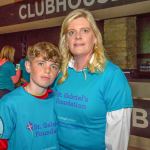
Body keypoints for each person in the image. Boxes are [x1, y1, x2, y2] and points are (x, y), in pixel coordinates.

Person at [54, 9, 133, 150]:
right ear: (66, 41)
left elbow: (117, 140)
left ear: (95, 38)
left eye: (84, 30)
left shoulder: (112, 76)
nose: (78, 36)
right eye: (71, 32)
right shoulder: (61, 73)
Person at [0, 42, 62, 150]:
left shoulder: (59, 100)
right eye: (41, 63)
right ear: (28, 66)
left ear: (58, 73)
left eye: (53, 66)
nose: (47, 71)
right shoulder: (9, 104)